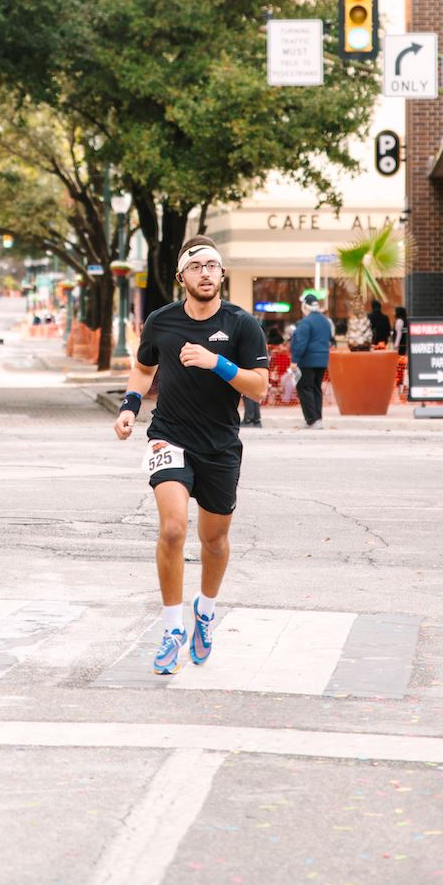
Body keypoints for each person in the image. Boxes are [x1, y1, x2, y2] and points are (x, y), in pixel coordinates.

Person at [113, 237, 269, 676]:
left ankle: (205, 611)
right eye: (196, 266)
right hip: (169, 436)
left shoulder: (242, 325)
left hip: (220, 443)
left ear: (222, 274)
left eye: (213, 266)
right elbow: (144, 368)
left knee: (214, 540)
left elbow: (260, 387)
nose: (206, 273)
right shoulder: (161, 321)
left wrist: (216, 362)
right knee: (173, 529)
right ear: (181, 276)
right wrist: (128, 408)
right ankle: (171, 628)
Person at [289, 289, 335, 429]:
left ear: (305, 306)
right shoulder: (326, 321)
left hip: (307, 360)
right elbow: (330, 339)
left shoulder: (306, 322)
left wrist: (294, 360)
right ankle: (317, 418)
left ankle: (312, 419)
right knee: (316, 388)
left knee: (304, 388)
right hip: (322, 360)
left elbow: (300, 342)